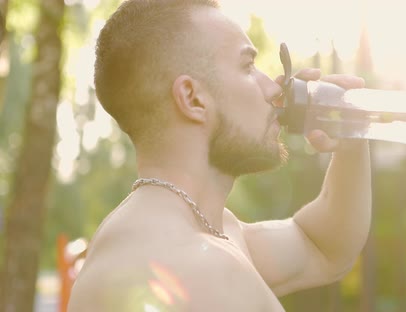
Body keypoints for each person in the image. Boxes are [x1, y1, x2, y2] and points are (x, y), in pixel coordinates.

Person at [67, 0, 371, 311]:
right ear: (192, 98)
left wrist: (351, 140)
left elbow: (321, 247)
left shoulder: (202, 230)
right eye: (247, 66)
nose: (274, 88)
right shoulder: (203, 270)